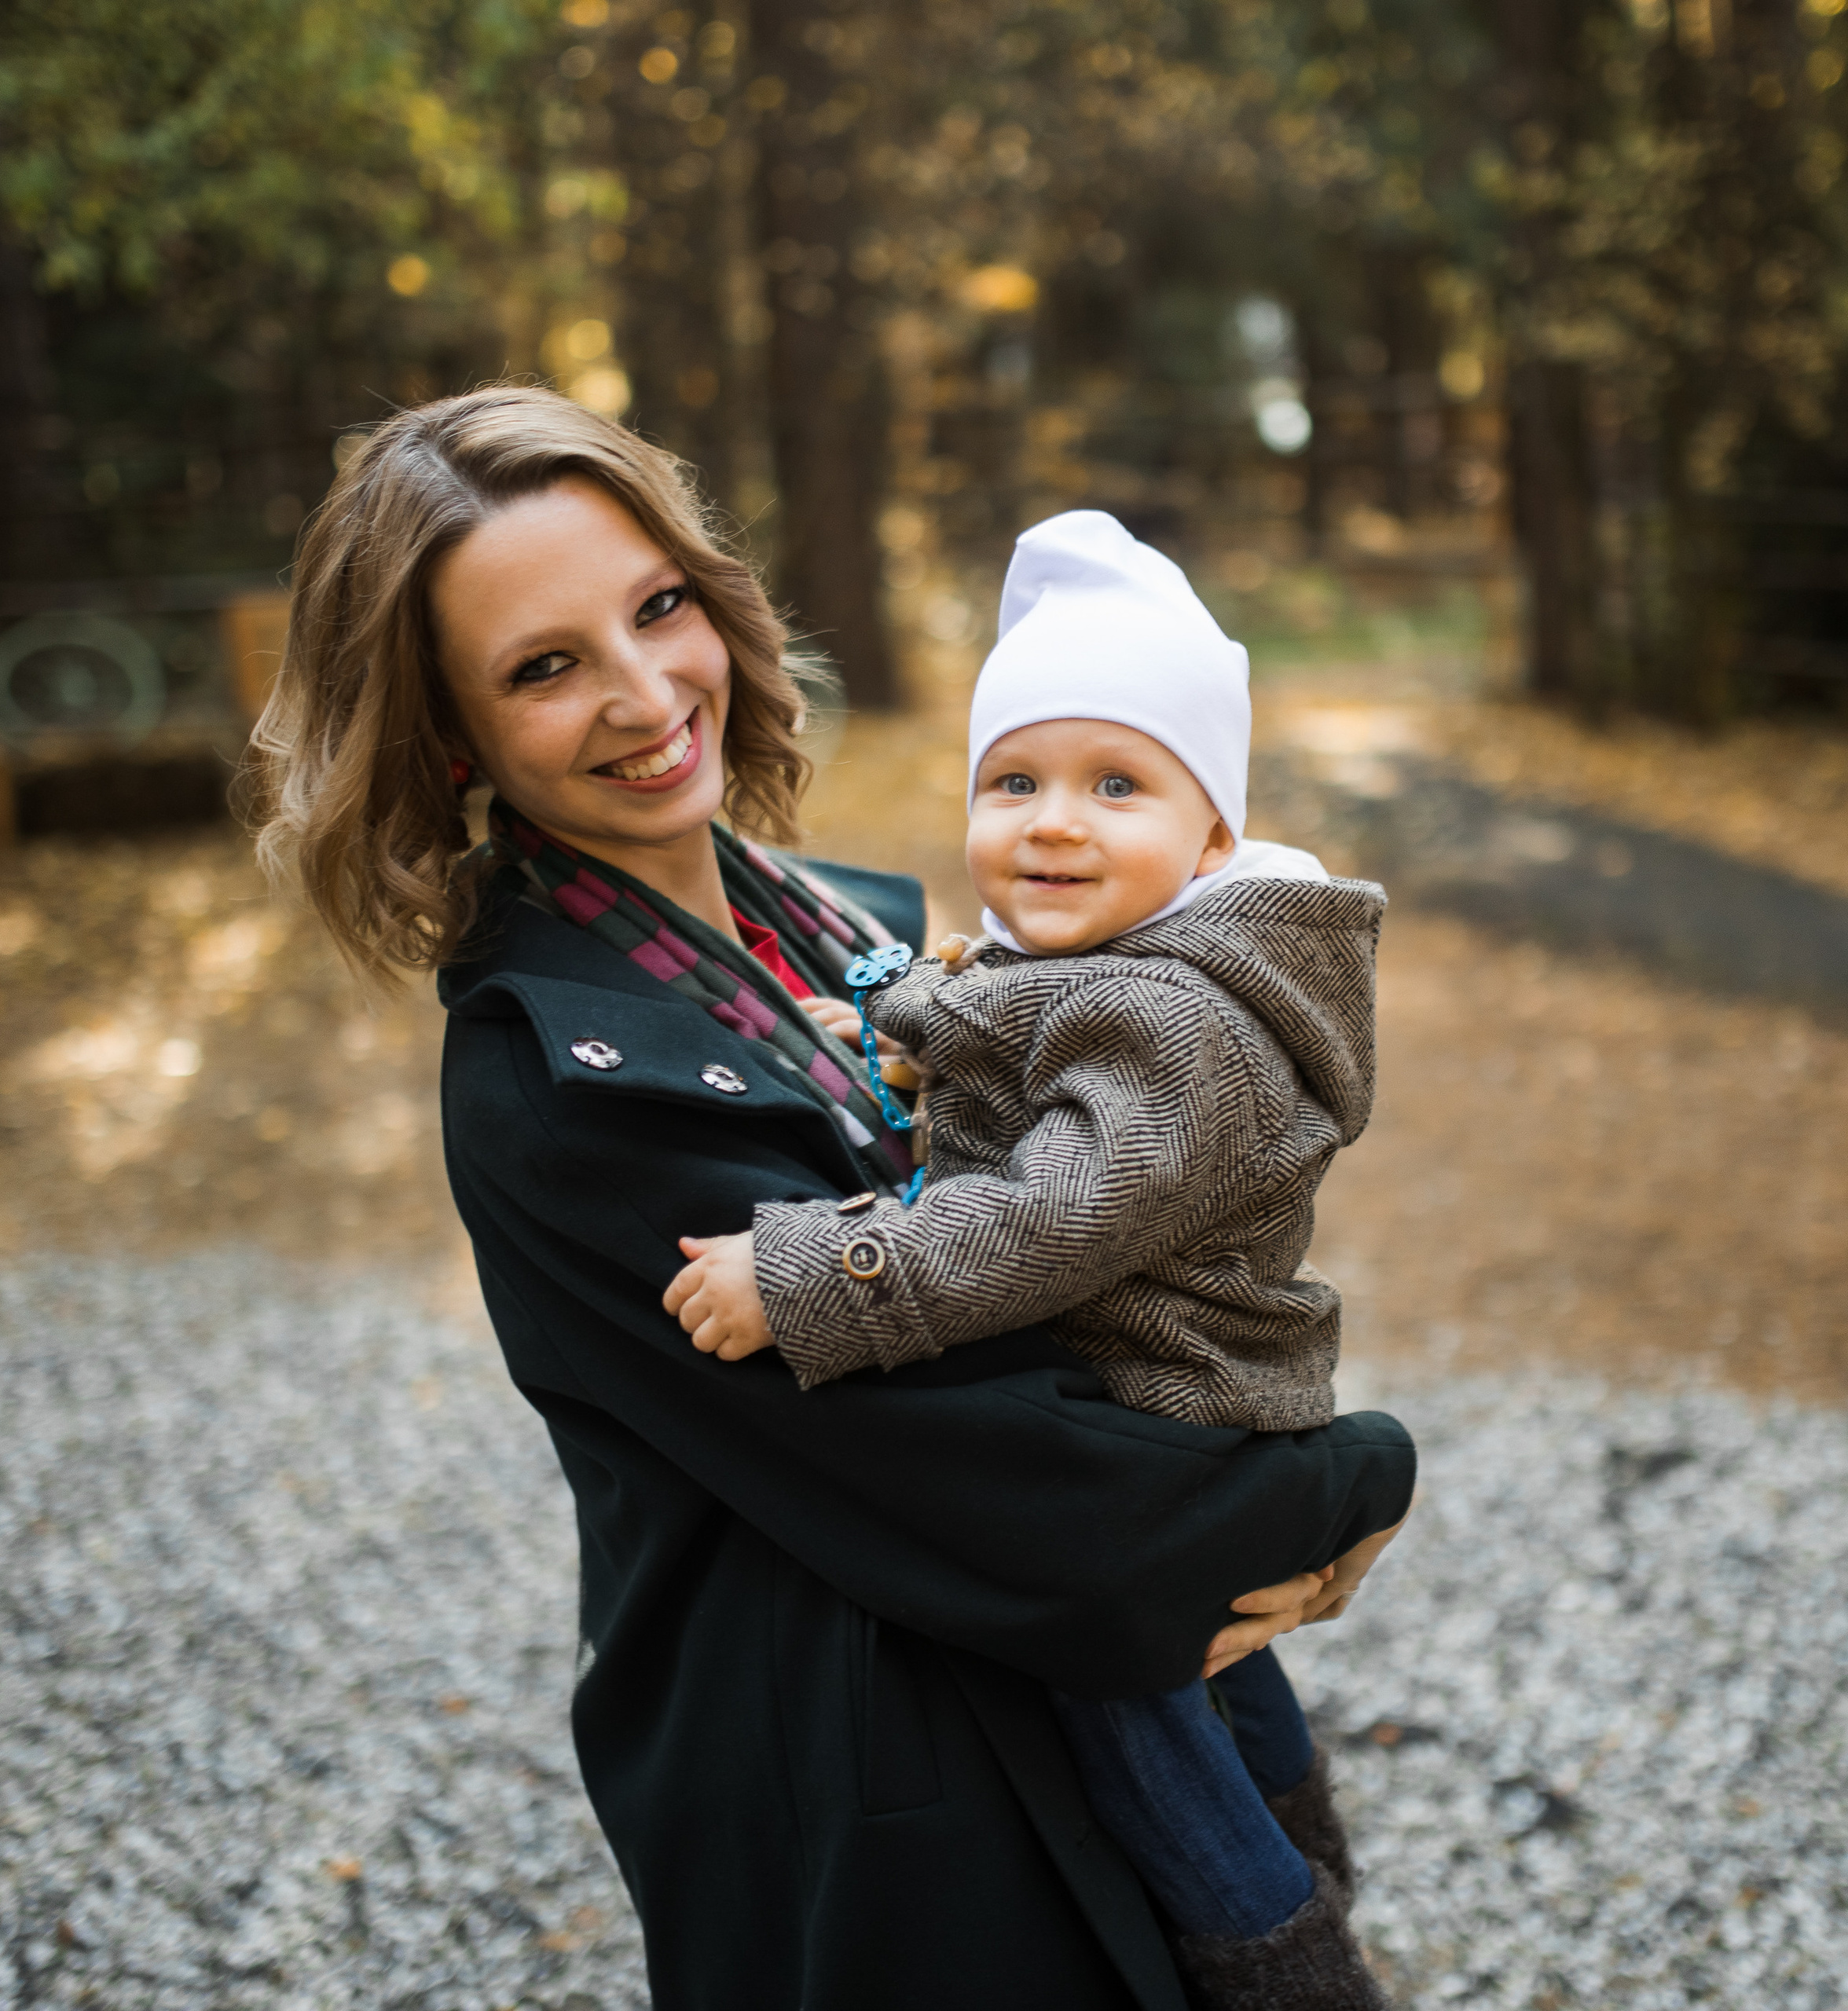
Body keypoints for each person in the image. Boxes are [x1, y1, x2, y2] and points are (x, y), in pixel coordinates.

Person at [248, 384, 1415, 2011]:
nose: (646, 692)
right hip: (888, 1816)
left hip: (1046, 1713)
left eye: (657, 608)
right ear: (451, 735)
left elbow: (1083, 1244)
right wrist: (1350, 1472)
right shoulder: (567, 1086)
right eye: (542, 665)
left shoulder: (835, 925)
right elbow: (1010, 1482)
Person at [667, 511, 1401, 2009]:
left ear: (1210, 842)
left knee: (1119, 1677)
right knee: (1218, 1663)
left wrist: (820, 1276)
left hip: (1160, 1406)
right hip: (1169, 1389)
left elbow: (1056, 1211)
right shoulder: (1106, 963)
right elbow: (988, 1019)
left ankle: (1281, 1956)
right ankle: (1297, 1834)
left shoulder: (1184, 1024)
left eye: (1115, 785)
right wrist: (879, 1022)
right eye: (1015, 781)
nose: (1053, 821)